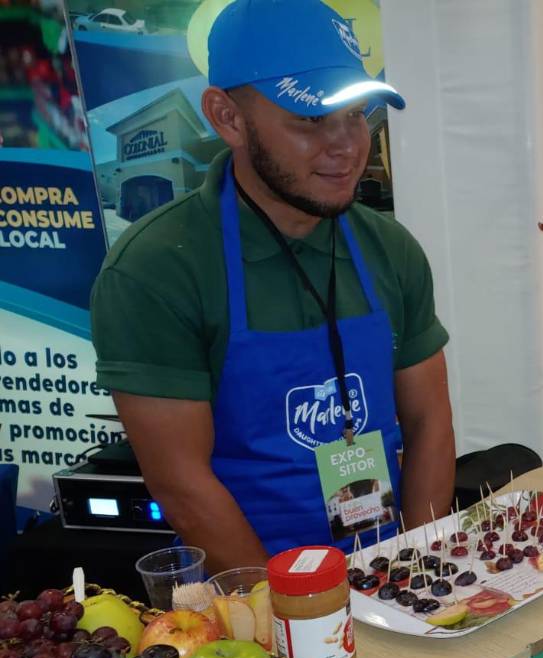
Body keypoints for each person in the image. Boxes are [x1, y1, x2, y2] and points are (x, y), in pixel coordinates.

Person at [90, 0, 454, 572]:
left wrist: (421, 570)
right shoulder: (156, 270)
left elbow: (430, 421)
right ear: (227, 117)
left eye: (357, 114)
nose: (347, 145)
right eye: (310, 120)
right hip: (250, 599)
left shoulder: (391, 249)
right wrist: (288, 615)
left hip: (389, 574)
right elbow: (181, 483)